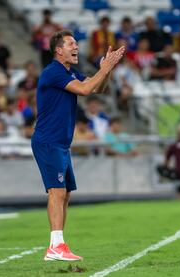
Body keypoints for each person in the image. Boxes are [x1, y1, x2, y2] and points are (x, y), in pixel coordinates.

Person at [31, 30, 125, 261]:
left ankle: (58, 244)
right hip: (48, 141)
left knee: (66, 193)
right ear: (58, 50)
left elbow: (97, 88)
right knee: (57, 190)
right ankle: (55, 246)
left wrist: (108, 69)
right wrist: (103, 69)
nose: (76, 47)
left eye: (76, 44)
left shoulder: (69, 71)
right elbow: (84, 89)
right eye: (71, 44)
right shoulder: (53, 72)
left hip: (61, 143)